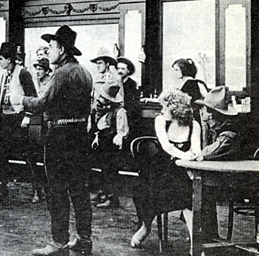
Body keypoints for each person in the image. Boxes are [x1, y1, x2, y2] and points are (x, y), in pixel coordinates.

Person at [18, 26, 94, 256]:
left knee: (57, 190)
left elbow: (41, 103)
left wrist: (20, 99)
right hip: (80, 135)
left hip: (59, 137)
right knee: (79, 190)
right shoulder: (84, 72)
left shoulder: (60, 74)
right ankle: (84, 240)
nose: (47, 52)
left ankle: (58, 242)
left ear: (61, 49)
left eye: (51, 47)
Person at [131, 90, 200, 248]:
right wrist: (185, 156)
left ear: (176, 108)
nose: (161, 111)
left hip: (183, 168)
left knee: (188, 194)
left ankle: (195, 242)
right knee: (145, 190)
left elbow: (196, 149)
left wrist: (188, 158)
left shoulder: (194, 125)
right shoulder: (161, 121)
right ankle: (146, 227)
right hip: (161, 166)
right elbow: (167, 146)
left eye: (165, 107)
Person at [0, 42, 37, 199]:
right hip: (4, 119)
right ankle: (2, 187)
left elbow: (32, 96)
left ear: (9, 60)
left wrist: (28, 115)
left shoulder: (23, 73)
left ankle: (38, 190)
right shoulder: (4, 74)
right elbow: (1, 95)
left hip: (18, 118)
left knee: (27, 153)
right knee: (1, 153)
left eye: (2, 58)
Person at [194, 86, 241, 241]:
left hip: (234, 184)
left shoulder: (228, 134)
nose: (201, 111)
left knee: (200, 190)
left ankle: (205, 236)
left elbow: (204, 154)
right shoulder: (216, 128)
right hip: (223, 179)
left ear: (211, 113)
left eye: (204, 109)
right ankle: (205, 234)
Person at [89, 79, 129, 208]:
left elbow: (121, 131)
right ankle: (104, 193)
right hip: (103, 142)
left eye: (103, 97)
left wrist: (119, 138)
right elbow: (99, 127)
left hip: (111, 145)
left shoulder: (119, 112)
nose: (100, 99)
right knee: (103, 169)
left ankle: (112, 198)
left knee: (110, 170)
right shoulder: (103, 111)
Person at [30, 57, 52, 204]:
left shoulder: (50, 83)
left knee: (46, 158)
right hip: (34, 123)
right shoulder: (34, 83)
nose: (38, 72)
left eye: (41, 69)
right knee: (33, 156)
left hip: (46, 123)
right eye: (37, 69)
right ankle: (36, 190)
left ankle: (48, 191)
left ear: (47, 71)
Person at [116, 57, 140, 134]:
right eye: (118, 68)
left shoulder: (132, 84)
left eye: (123, 69)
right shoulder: (115, 83)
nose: (120, 71)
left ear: (128, 70)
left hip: (127, 114)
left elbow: (133, 101)